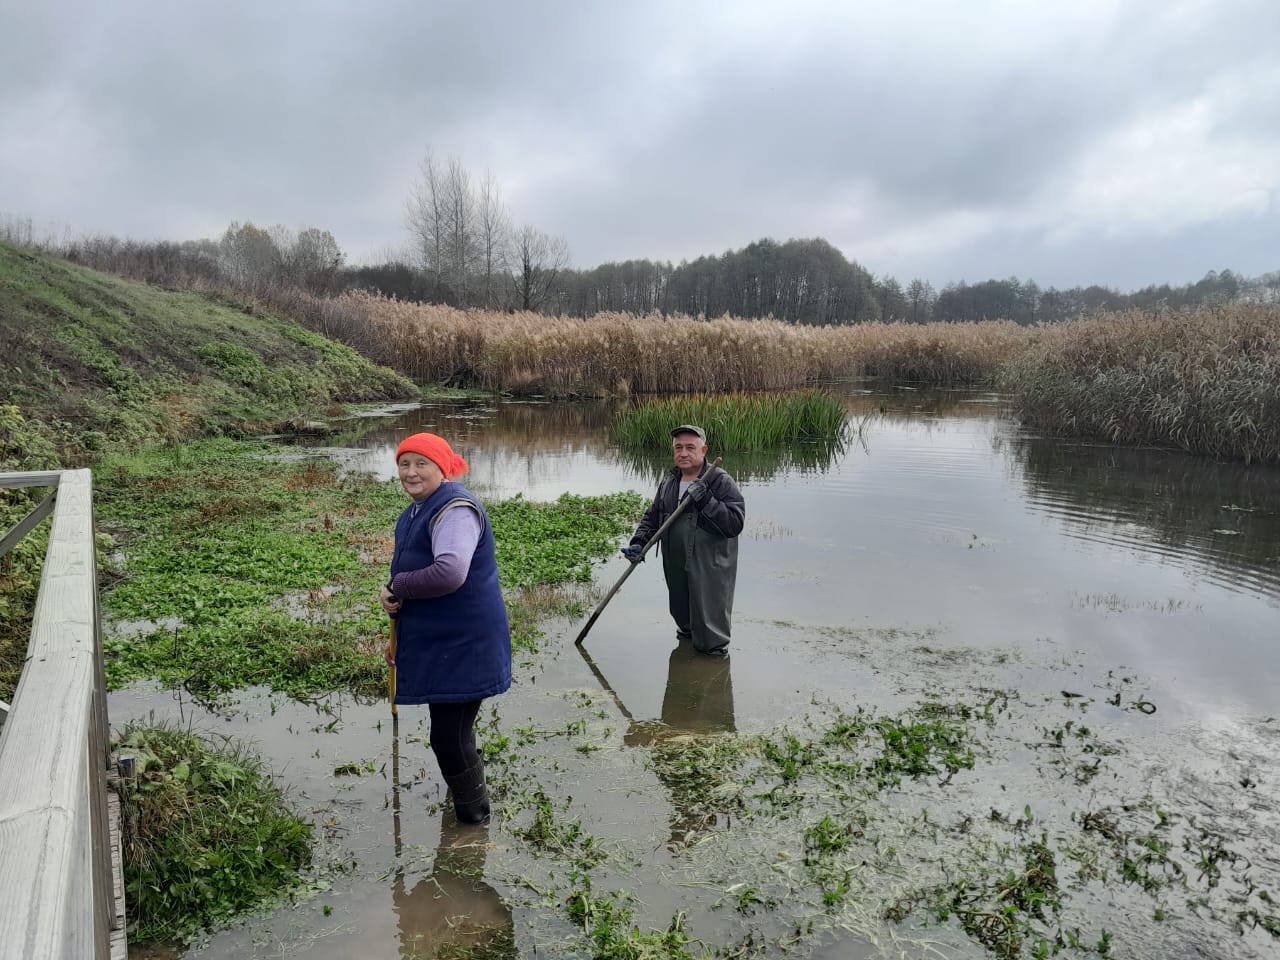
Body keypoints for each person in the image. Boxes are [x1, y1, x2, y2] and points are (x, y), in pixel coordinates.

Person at [381, 432, 511, 823]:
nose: (411, 472)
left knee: (448, 736)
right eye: (405, 463)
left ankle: (474, 819)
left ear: (442, 467)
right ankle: (471, 800)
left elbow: (450, 572)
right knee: (455, 731)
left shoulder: (454, 509)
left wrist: (399, 585)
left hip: (465, 640)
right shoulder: (418, 510)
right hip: (445, 638)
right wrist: (398, 636)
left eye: (422, 463)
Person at [622, 425, 745, 657]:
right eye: (678, 448)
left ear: (703, 450)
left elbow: (735, 523)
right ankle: (685, 666)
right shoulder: (670, 481)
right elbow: (653, 515)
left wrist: (706, 500)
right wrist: (639, 541)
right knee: (683, 616)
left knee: (711, 626)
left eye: (690, 447)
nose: (684, 453)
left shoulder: (719, 481)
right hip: (676, 562)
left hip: (710, 566)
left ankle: (713, 672)